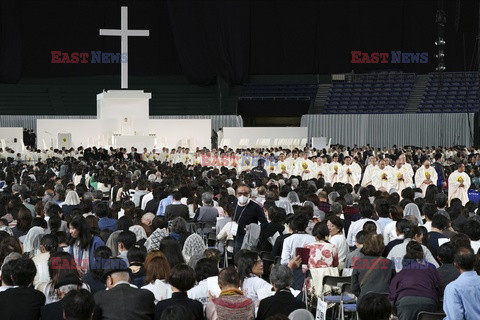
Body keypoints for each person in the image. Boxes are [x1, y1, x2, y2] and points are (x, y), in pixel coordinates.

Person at [389, 241, 443, 320]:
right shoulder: (431, 267)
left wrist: (394, 307)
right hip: (429, 301)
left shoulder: (402, 272)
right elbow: (440, 287)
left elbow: (392, 292)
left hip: (405, 303)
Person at [351, 234, 394, 298]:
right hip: (384, 301)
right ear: (382, 246)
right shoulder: (389, 263)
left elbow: (354, 288)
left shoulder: (359, 263)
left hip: (364, 301)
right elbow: (393, 285)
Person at [443, 247, 480, 320]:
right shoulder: (453, 288)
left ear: (456, 265)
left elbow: (455, 317)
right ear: (475, 262)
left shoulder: (453, 288)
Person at [233, 184, 267, 253]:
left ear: (249, 195)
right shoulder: (233, 204)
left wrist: (254, 230)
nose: (242, 196)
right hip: (235, 236)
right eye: (240, 194)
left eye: (245, 194)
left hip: (249, 239)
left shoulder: (256, 207)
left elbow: (264, 223)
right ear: (236, 194)